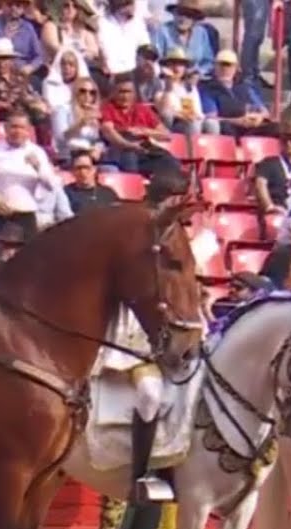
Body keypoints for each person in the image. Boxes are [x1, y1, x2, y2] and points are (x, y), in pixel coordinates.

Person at [89, 169, 190, 505]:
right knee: (149, 392)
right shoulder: (138, 229)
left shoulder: (175, 232)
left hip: (165, 321)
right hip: (131, 332)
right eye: (177, 198)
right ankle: (142, 473)